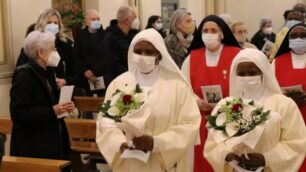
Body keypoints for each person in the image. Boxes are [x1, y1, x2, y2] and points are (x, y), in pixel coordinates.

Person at [96, 29, 201, 172]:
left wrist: (156, 143)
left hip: (163, 163)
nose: (142, 56)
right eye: (138, 51)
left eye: (149, 52)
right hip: (129, 163)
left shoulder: (178, 86)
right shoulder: (119, 84)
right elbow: (105, 122)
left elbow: (189, 124)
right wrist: (119, 143)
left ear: (159, 54)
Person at [204, 48, 306, 172]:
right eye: (241, 74)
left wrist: (266, 159)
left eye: (252, 73)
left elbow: (297, 142)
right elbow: (212, 144)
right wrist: (226, 155)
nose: (247, 77)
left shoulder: (284, 104)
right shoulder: (226, 104)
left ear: (263, 73)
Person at [181, 15, 240, 172]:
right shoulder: (192, 57)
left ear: (222, 34)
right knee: (201, 162)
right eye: (205, 30)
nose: (209, 34)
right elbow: (183, 86)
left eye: (213, 30)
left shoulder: (236, 54)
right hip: (200, 117)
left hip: (229, 117)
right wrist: (195, 100)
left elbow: (243, 84)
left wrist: (226, 104)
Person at [10, 31, 74, 161]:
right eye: (53, 49)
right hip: (33, 145)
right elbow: (18, 113)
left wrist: (65, 106)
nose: (56, 52)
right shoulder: (24, 75)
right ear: (40, 52)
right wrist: (52, 110)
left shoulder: (48, 72)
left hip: (52, 139)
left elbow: (53, 103)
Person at [273, 23, 306, 171]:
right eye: (294, 36)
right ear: (288, 39)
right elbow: (269, 90)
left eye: (302, 36)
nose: (298, 38)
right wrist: (285, 99)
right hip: (287, 117)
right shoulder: (277, 62)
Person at [17, 9, 76, 88]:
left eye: (55, 23)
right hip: (39, 92)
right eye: (49, 22)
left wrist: (65, 80)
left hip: (62, 92)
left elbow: (76, 72)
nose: (52, 25)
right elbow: (21, 73)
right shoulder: (32, 45)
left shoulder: (65, 44)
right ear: (42, 24)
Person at [102, 5, 139, 87]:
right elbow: (113, 63)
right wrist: (130, 74)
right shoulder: (110, 37)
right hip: (117, 80)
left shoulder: (134, 34)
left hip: (134, 77)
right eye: (135, 17)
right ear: (127, 20)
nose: (137, 20)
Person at [74, 9, 106, 97]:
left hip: (101, 75)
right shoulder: (80, 35)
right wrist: (86, 71)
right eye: (93, 19)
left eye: (98, 19)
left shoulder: (105, 34)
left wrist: (93, 71)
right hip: (85, 77)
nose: (96, 21)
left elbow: (107, 56)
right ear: (87, 22)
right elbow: (77, 55)